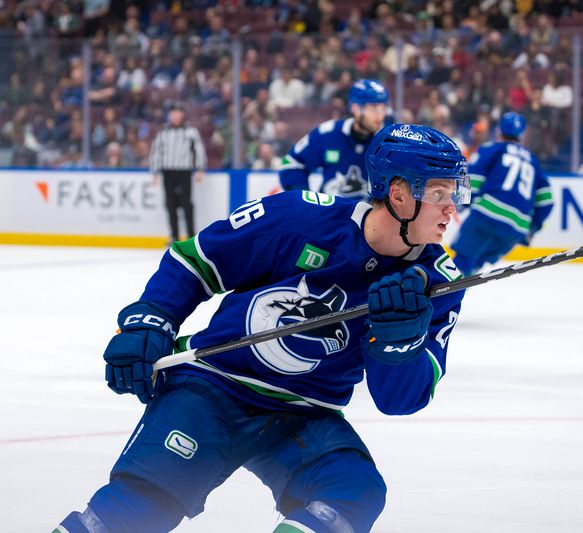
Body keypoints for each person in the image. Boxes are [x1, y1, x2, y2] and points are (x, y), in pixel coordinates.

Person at [54, 124, 470, 533]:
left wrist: (398, 341)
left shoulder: (439, 282)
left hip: (303, 414)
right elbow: (196, 261)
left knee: (354, 493)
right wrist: (151, 319)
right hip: (214, 386)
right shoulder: (299, 216)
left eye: (453, 194)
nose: (452, 208)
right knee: (138, 509)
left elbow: (398, 401)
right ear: (398, 194)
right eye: (437, 194)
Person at [451, 112, 553, 276]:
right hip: (516, 229)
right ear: (522, 134)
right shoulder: (534, 161)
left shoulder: (492, 148)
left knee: (462, 263)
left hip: (486, 217)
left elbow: (473, 177)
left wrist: (462, 202)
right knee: (474, 267)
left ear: (498, 130)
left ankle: (442, 301)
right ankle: (455, 298)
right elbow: (546, 201)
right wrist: (533, 228)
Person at [279, 79, 390, 200]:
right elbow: (290, 162)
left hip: (370, 216)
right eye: (373, 108)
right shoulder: (329, 133)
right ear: (355, 108)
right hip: (330, 214)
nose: (380, 115)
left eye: (383, 108)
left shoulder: (390, 141)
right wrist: (304, 200)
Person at [149, 106, 207, 244]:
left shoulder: (190, 132)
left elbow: (198, 150)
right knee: (170, 204)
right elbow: (156, 151)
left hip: (184, 171)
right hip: (168, 171)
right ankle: (174, 236)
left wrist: (199, 169)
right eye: (173, 113)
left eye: (178, 113)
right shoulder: (163, 132)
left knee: (187, 204)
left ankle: (191, 236)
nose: (175, 116)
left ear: (182, 115)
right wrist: (155, 172)